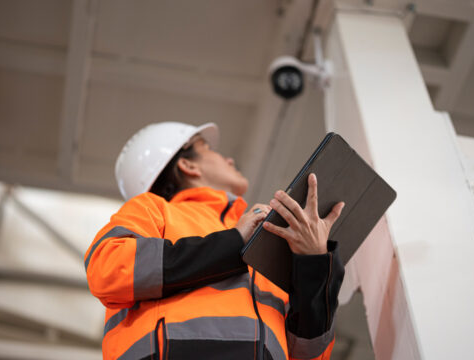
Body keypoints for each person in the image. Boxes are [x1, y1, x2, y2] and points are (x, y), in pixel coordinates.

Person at [85, 122, 345, 360]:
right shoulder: (153, 210)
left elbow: (309, 354)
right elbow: (109, 268)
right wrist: (235, 242)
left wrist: (314, 263)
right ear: (189, 166)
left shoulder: (266, 244)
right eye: (207, 148)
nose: (230, 159)